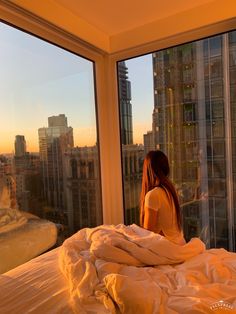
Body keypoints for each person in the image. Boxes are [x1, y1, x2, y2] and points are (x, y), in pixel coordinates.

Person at [140, 150, 186, 245]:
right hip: (179, 243)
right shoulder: (170, 190)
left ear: (148, 170)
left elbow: (147, 233)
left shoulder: (153, 195)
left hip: (166, 248)